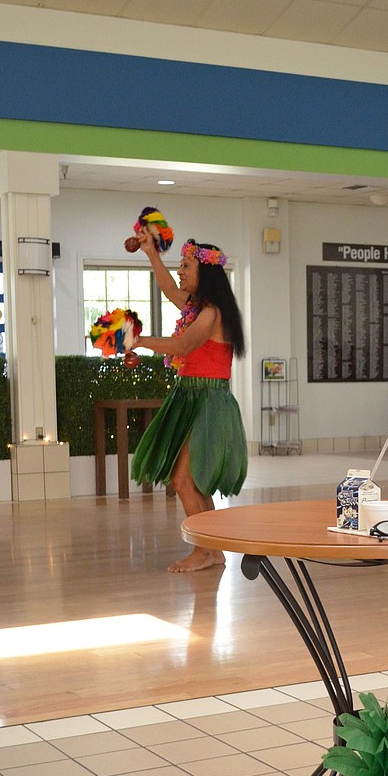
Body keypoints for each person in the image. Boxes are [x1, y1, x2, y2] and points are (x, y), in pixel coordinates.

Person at [129, 229, 248, 573]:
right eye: (179, 265)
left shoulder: (211, 314)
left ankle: (203, 549)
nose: (180, 271)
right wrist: (151, 253)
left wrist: (138, 340)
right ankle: (213, 551)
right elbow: (168, 288)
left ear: (205, 273)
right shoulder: (199, 308)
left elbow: (182, 348)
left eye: (185, 266)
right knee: (191, 482)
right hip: (191, 396)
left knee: (183, 481)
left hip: (207, 402)